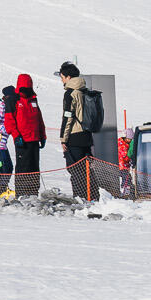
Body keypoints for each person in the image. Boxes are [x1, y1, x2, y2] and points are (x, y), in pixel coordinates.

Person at [58, 63, 95, 201]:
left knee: (75, 169)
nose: (61, 80)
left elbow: (68, 118)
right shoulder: (84, 91)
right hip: (87, 135)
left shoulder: (70, 93)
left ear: (68, 77)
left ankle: (80, 198)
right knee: (87, 170)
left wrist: (63, 138)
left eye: (62, 77)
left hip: (74, 137)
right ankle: (92, 196)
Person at [12, 74, 47, 198]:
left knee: (34, 167)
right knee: (23, 167)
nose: (25, 91)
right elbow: (9, 120)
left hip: (34, 139)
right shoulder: (14, 100)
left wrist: (43, 135)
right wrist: (16, 136)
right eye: (23, 88)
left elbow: (39, 119)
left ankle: (33, 193)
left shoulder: (34, 100)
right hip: (22, 140)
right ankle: (21, 194)